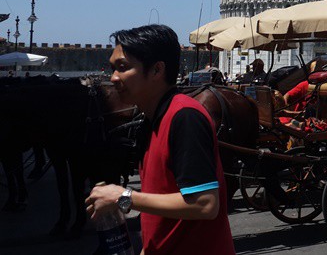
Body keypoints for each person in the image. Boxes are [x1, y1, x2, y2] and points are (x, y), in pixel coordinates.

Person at [85, 25, 235, 255]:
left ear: (157, 70)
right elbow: (161, 205)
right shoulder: (150, 121)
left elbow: (205, 204)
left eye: (123, 68)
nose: (113, 77)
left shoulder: (184, 116)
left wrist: (122, 197)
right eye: (113, 68)